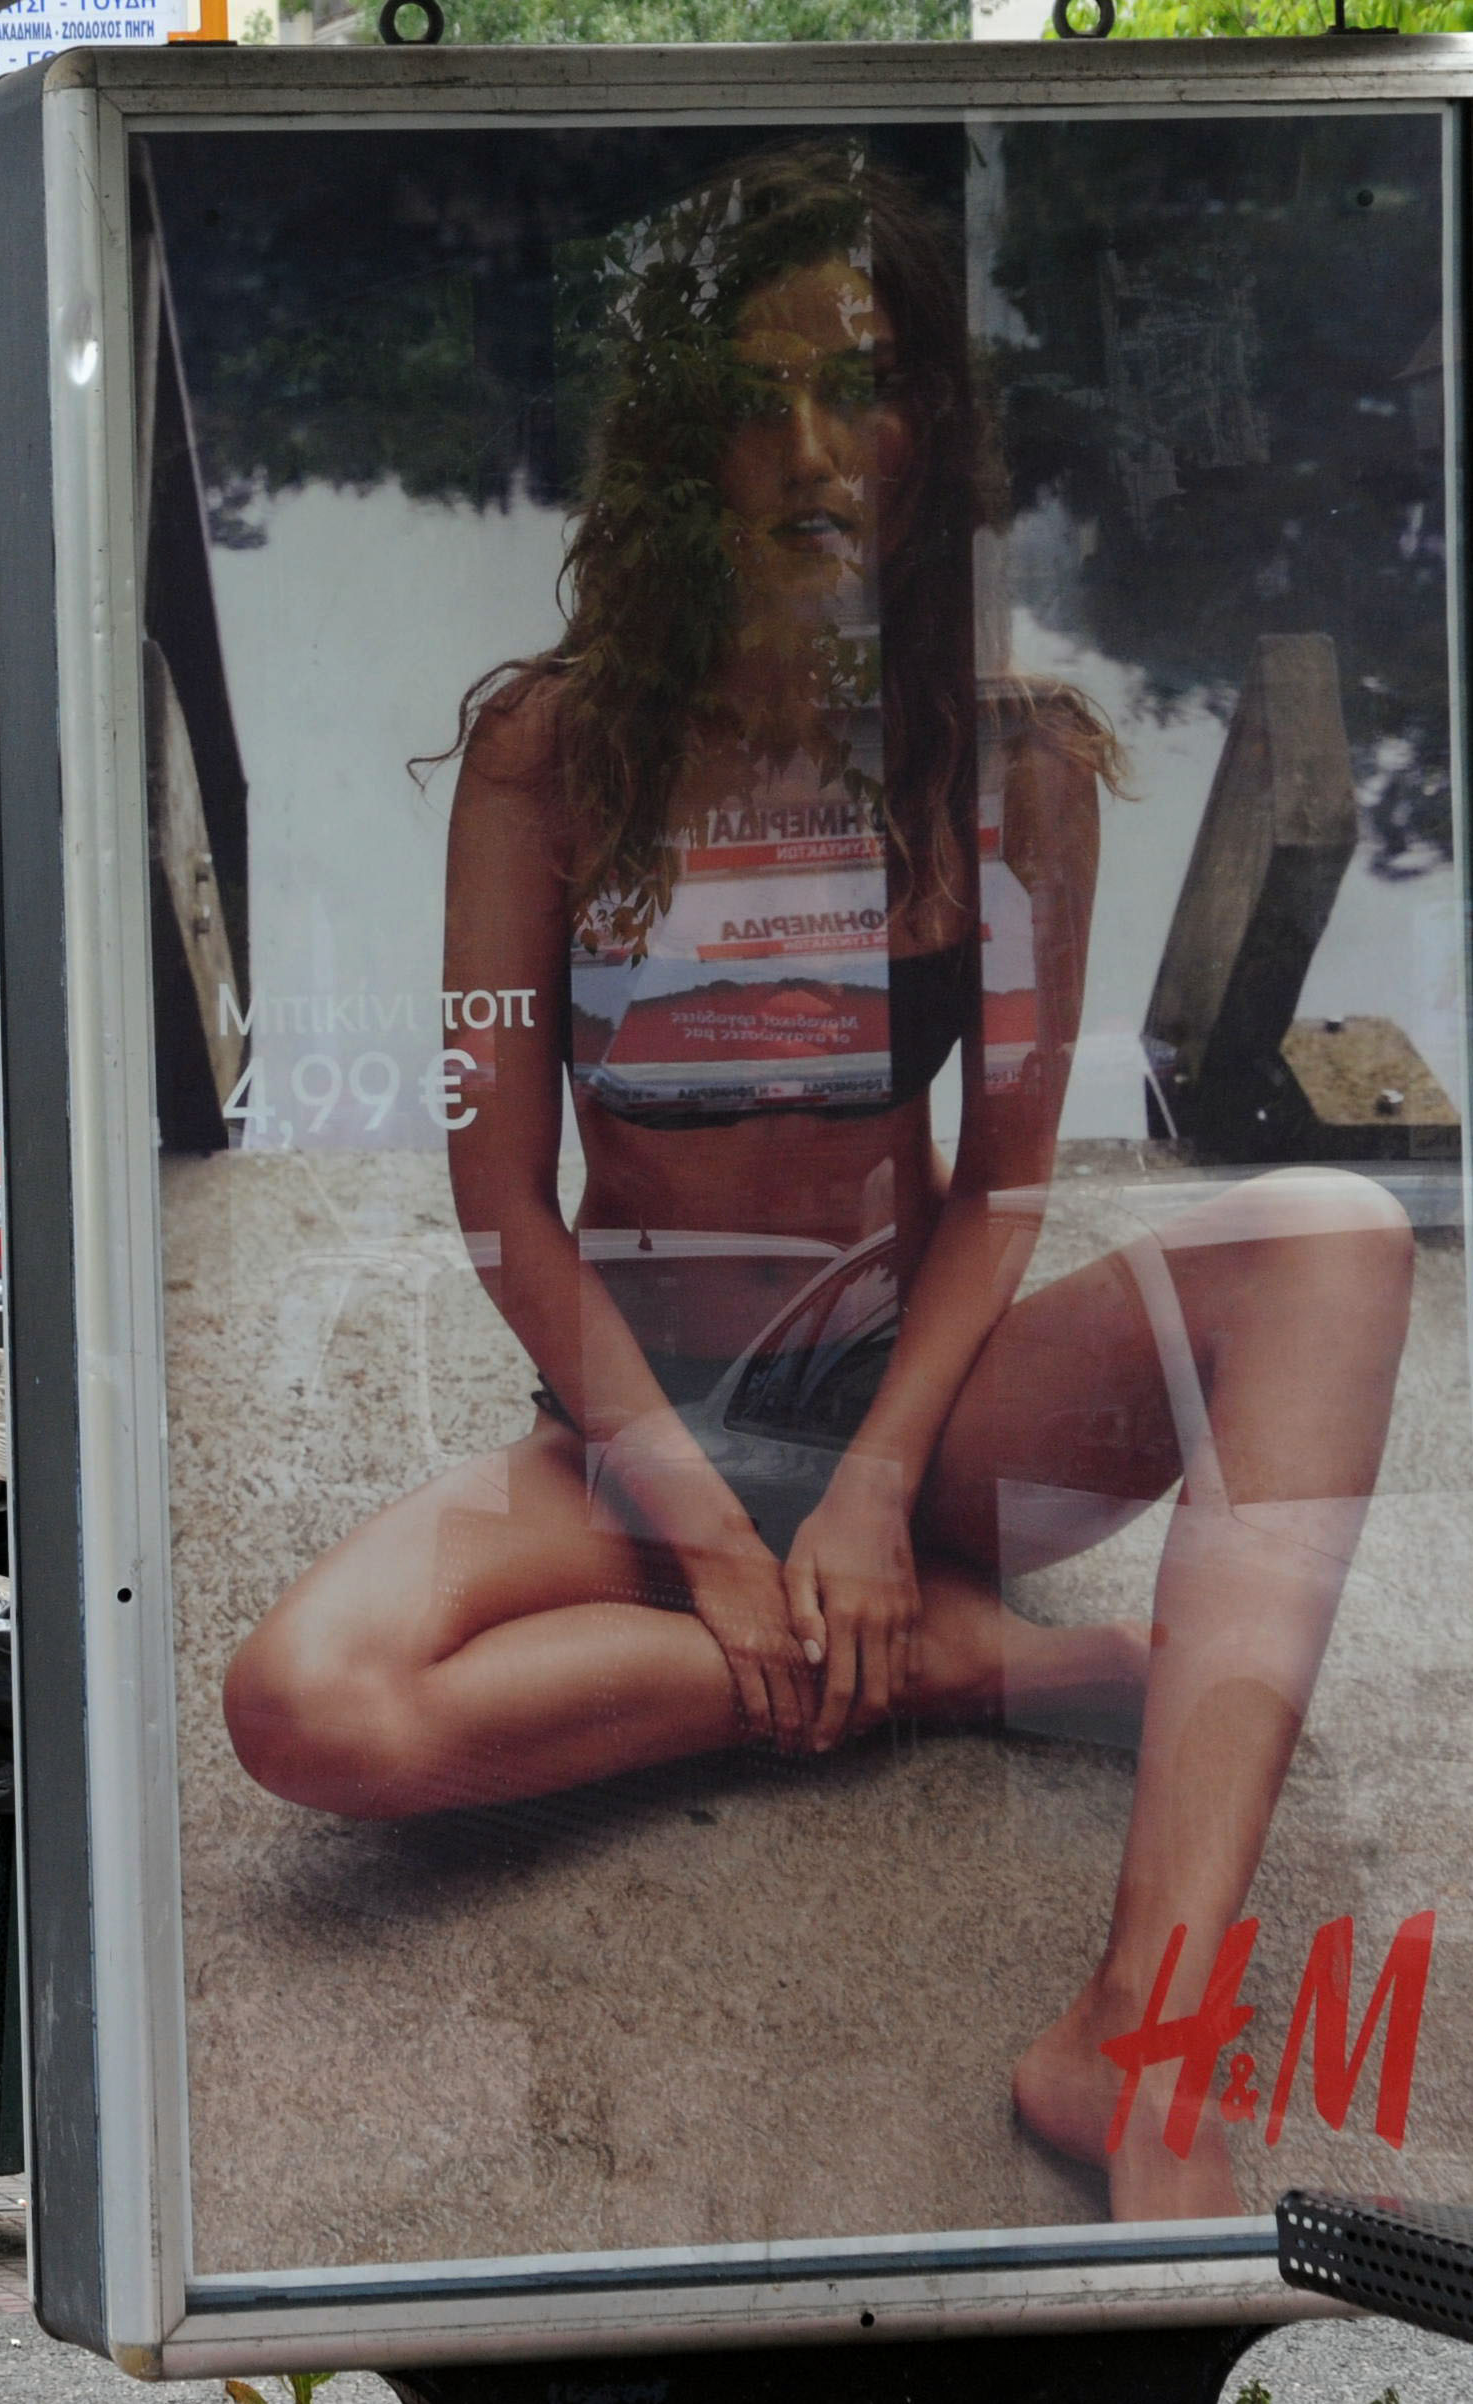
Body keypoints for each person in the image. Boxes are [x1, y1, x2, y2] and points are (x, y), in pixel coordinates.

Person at [214, 144, 1415, 2223]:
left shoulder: (1008, 760)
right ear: (679, 452)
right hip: (628, 1436)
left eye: (853, 386)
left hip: (920, 1411)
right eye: (746, 402)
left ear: (929, 425)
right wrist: (702, 1524)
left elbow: (1009, 1176)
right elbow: (502, 1193)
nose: (803, 450)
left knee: (1335, 1235)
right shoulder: (554, 750)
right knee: (305, 1704)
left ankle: (1143, 2031)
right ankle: (961, 1666)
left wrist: (866, 1492)